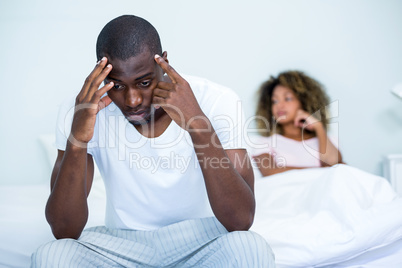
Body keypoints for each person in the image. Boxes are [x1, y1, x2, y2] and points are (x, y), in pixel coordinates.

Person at [31, 15, 275, 267]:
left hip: (201, 239)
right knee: (50, 257)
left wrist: (198, 125)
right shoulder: (83, 107)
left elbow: (240, 220)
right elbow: (64, 229)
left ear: (164, 62)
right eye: (116, 85)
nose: (132, 100)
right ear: (100, 74)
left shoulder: (216, 99)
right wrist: (77, 140)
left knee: (251, 248)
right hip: (122, 246)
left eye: (144, 82)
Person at [252, 70, 343, 177]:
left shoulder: (327, 140)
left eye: (288, 98)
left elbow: (336, 167)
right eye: (274, 101)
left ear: (304, 102)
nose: (279, 105)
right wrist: (323, 170)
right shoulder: (265, 143)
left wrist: (318, 127)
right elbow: (271, 171)